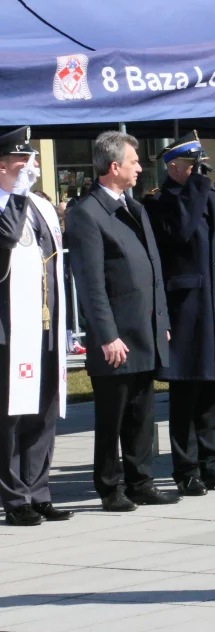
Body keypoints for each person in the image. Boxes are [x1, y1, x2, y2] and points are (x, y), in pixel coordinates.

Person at [68, 131, 177, 511]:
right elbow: (91, 284)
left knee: (141, 412)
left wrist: (161, 319)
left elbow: (153, 269)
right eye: (134, 161)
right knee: (112, 416)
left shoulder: (135, 208)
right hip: (116, 334)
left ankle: (140, 480)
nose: (140, 167)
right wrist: (107, 335)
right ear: (114, 167)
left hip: (144, 328)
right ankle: (109, 486)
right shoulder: (87, 213)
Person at [143, 131, 215, 496]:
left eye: (202, 165)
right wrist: (196, 189)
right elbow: (181, 233)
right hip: (189, 307)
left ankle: (212, 462)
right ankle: (186, 469)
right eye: (193, 165)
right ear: (173, 167)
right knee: (187, 389)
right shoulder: (160, 201)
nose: (201, 171)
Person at [0, 128, 72, 526]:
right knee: (11, 415)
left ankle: (38, 489)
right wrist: (17, 194)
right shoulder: (8, 203)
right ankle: (14, 498)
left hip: (45, 323)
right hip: (9, 328)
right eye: (22, 163)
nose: (32, 168)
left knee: (44, 410)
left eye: (33, 162)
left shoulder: (38, 204)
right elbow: (8, 237)